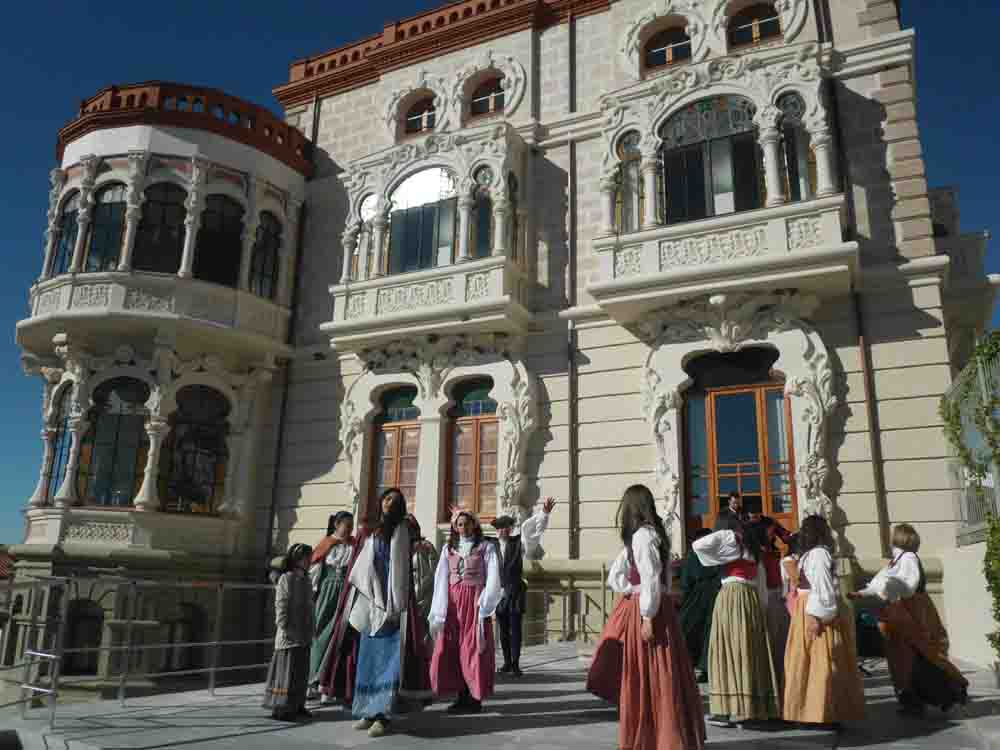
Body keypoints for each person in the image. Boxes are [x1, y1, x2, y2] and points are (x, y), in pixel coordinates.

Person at [586, 485, 705, 750]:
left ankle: (656, 738)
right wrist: (638, 595)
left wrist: (646, 614)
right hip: (653, 607)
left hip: (648, 610)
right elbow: (627, 575)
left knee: (648, 673)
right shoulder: (653, 535)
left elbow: (647, 577)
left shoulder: (642, 537)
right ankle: (661, 735)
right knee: (658, 672)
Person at [849, 523, 969, 715]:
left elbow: (909, 585)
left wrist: (892, 589)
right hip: (901, 610)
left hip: (912, 610)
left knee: (921, 651)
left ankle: (950, 690)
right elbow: (881, 582)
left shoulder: (908, 558)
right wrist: (861, 594)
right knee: (904, 656)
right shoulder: (896, 560)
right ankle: (915, 699)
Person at [348, 489, 432, 738]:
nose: (389, 503)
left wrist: (396, 603)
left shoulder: (402, 529)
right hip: (373, 599)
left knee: (391, 661)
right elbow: (363, 564)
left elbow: (401, 568)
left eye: (395, 501)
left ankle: (384, 715)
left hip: (395, 602)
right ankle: (368, 711)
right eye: (386, 498)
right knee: (370, 659)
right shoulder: (373, 530)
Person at [693, 516, 779, 727]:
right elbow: (761, 585)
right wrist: (761, 609)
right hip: (750, 599)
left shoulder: (733, 541)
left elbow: (698, 545)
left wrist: (727, 533)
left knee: (726, 650)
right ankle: (751, 710)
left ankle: (725, 710)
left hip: (731, 596)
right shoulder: (754, 551)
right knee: (748, 651)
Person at [783, 515, 865, 727]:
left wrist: (816, 616)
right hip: (810, 610)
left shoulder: (817, 555)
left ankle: (824, 711)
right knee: (812, 662)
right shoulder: (814, 554)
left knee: (821, 662)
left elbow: (823, 590)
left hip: (813, 611)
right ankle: (813, 710)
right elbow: (820, 589)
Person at [429, 508, 502, 714]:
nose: (463, 528)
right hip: (453, 604)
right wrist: (439, 608)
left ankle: (474, 698)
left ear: (474, 525)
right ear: (455, 527)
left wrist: (486, 602)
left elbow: (493, 575)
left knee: (473, 650)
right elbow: (441, 578)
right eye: (459, 524)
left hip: (474, 603)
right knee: (452, 649)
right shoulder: (448, 549)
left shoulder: (486, 547)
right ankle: (460, 696)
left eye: (467, 523)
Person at [491, 496, 556, 676]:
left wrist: (544, 513)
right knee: (503, 630)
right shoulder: (491, 545)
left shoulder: (518, 543)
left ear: (510, 528)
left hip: (516, 592)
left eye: (506, 526)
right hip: (498, 594)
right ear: (496, 529)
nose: (503, 529)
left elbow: (533, 533)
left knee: (516, 629)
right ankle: (505, 663)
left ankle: (515, 664)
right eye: (499, 526)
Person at [264, 543, 315, 721]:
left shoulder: (307, 580)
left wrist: (311, 627)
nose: (310, 561)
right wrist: (284, 626)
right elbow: (281, 604)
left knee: (301, 671)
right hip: (290, 632)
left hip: (304, 632)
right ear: (297, 559)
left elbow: (310, 606)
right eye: (307, 557)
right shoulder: (287, 578)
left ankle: (298, 705)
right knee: (287, 671)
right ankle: (281, 708)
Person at [307, 511, 355, 700]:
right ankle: (311, 679)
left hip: (345, 592)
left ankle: (327, 683)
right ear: (337, 524)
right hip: (327, 591)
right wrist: (312, 593)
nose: (350, 529)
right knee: (320, 633)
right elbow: (314, 569)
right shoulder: (326, 543)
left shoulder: (353, 545)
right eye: (347, 525)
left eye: (351, 526)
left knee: (339, 635)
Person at [677, 527, 721, 683]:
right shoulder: (717, 554)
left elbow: (686, 582)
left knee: (691, 631)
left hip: (697, 597)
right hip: (714, 595)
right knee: (709, 632)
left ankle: (691, 666)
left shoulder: (694, 555)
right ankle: (705, 668)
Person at [755, 516, 793, 693]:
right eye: (770, 532)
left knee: (781, 641)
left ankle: (782, 682)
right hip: (767, 597)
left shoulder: (773, 549)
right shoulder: (757, 551)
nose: (772, 535)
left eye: (773, 532)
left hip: (778, 596)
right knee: (771, 641)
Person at [406, 514, 438, 642]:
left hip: (425, 593)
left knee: (424, 630)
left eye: (411, 528)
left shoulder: (426, 546)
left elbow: (436, 570)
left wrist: (431, 553)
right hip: (408, 594)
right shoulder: (399, 547)